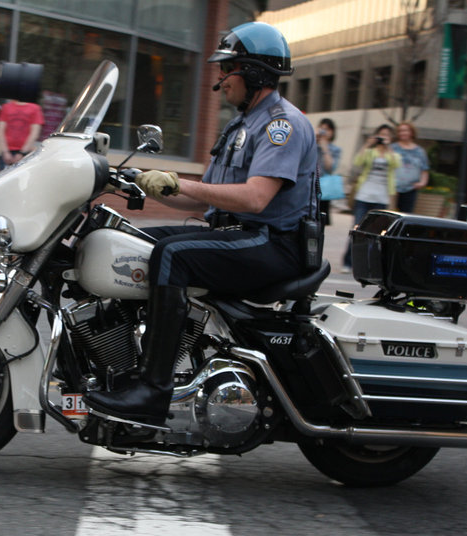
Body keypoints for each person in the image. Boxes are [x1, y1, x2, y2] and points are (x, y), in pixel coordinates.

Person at [84, 21, 317, 425]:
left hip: (273, 244)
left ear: (254, 72)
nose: (221, 78)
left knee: (173, 256)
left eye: (228, 69)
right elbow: (202, 196)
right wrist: (137, 181)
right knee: (124, 239)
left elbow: (255, 198)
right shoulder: (241, 126)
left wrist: (180, 182)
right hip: (238, 234)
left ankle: (152, 390)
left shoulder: (282, 125)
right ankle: (122, 364)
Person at [342, 123, 400, 271]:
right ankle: (348, 262)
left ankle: (367, 263)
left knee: (376, 233)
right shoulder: (370, 152)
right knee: (358, 229)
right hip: (364, 195)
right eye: (381, 135)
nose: (383, 138)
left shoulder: (392, 154)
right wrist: (368, 144)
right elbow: (357, 162)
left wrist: (388, 147)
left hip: (381, 198)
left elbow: (396, 164)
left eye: (387, 135)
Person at [393, 121, 429, 213]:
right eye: (400, 131)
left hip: (410, 187)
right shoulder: (392, 148)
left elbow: (424, 168)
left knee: (406, 214)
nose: (402, 133)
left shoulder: (419, 151)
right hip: (393, 187)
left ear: (411, 132)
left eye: (405, 130)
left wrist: (422, 182)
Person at [0, 98, 43, 169]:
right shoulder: (6, 107)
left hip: (26, 153)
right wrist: (5, 152)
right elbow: (0, 131)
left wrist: (22, 153)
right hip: (7, 152)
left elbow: (34, 133)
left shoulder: (35, 108)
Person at [316, 117, 341, 226]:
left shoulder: (335, 149)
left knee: (321, 220)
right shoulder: (312, 144)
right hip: (309, 183)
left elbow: (330, 167)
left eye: (327, 129)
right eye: (322, 128)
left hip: (323, 188)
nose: (324, 131)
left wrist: (325, 147)